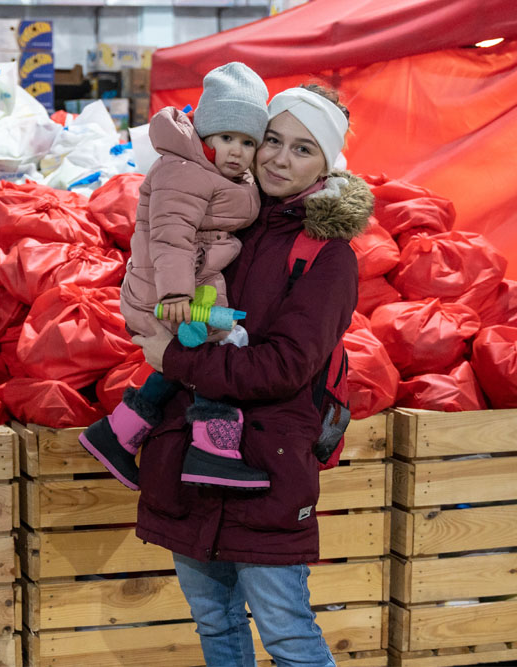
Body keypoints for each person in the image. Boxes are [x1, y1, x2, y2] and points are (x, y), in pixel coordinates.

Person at [130, 83, 373, 666]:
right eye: (272, 140)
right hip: (190, 459)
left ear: (327, 163)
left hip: (267, 467)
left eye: (302, 149)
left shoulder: (327, 254)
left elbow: (284, 367)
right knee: (215, 627)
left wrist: (176, 360)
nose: (279, 159)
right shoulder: (222, 223)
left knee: (287, 633)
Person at [79, 62, 271, 491]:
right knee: (219, 357)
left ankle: (116, 435)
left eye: (247, 142)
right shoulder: (184, 172)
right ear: (204, 137)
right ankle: (212, 452)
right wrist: (178, 293)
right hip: (167, 292)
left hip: (187, 286)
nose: (236, 151)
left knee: (177, 366)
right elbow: (171, 237)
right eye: (225, 138)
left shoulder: (220, 174)